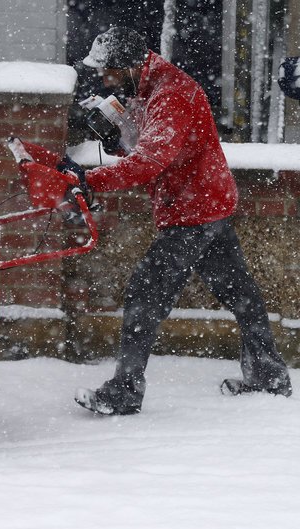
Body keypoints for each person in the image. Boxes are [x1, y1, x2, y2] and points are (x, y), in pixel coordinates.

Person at [69, 26, 293, 415]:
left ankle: (124, 391)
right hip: (205, 202)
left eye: (108, 70)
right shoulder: (147, 88)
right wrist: (117, 133)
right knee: (240, 293)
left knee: (145, 292)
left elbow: (150, 160)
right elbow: (148, 145)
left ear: (129, 65)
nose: (104, 78)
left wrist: (90, 180)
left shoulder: (171, 94)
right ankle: (269, 378)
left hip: (195, 209)